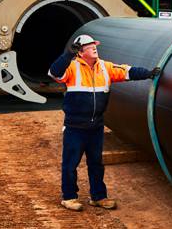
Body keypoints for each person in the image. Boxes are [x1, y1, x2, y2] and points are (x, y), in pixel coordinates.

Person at [48, 34, 159, 212]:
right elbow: (54, 73)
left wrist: (148, 73)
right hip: (75, 127)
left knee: (96, 163)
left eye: (95, 45)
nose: (94, 47)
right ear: (80, 51)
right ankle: (69, 197)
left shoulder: (105, 67)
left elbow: (127, 71)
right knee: (70, 163)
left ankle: (98, 197)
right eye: (90, 46)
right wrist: (68, 55)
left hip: (96, 126)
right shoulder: (71, 67)